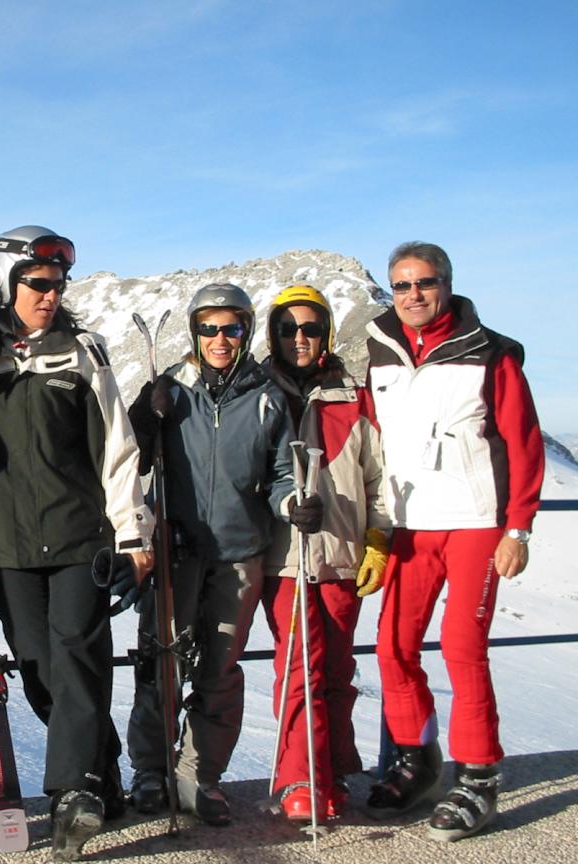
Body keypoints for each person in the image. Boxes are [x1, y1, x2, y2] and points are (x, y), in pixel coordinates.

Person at [0, 225, 154, 861]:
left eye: (58, 283)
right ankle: (102, 766)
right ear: (7, 282)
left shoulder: (81, 353)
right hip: (3, 545)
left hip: (79, 536)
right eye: (37, 283)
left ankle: (73, 792)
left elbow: (118, 449)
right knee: (38, 669)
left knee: (79, 660)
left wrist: (133, 534)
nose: (50, 294)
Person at [364, 242, 544, 842]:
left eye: (425, 282)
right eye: (402, 284)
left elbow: (523, 442)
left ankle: (478, 777)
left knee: (463, 646)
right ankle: (415, 759)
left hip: (475, 522)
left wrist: (518, 528)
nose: (413, 294)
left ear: (447, 283)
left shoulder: (489, 353)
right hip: (410, 525)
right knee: (393, 647)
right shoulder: (378, 350)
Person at [125, 283, 315, 826]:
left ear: (245, 332)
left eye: (231, 328)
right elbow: (131, 460)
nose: (219, 339)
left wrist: (292, 503)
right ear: (194, 333)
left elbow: (281, 472)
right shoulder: (171, 389)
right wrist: (146, 419)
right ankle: (151, 770)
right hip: (177, 551)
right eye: (208, 328)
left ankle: (198, 774)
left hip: (239, 554)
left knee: (220, 668)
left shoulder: (265, 397)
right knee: (161, 661)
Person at [259, 285, 391, 821]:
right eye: (287, 328)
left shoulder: (353, 399)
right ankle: (301, 780)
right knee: (298, 667)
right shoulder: (257, 393)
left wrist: (377, 539)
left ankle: (333, 773)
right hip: (283, 556)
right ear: (272, 334)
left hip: (340, 555)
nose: (299, 338)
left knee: (336, 668)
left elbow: (378, 480)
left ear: (327, 334)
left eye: (310, 328)